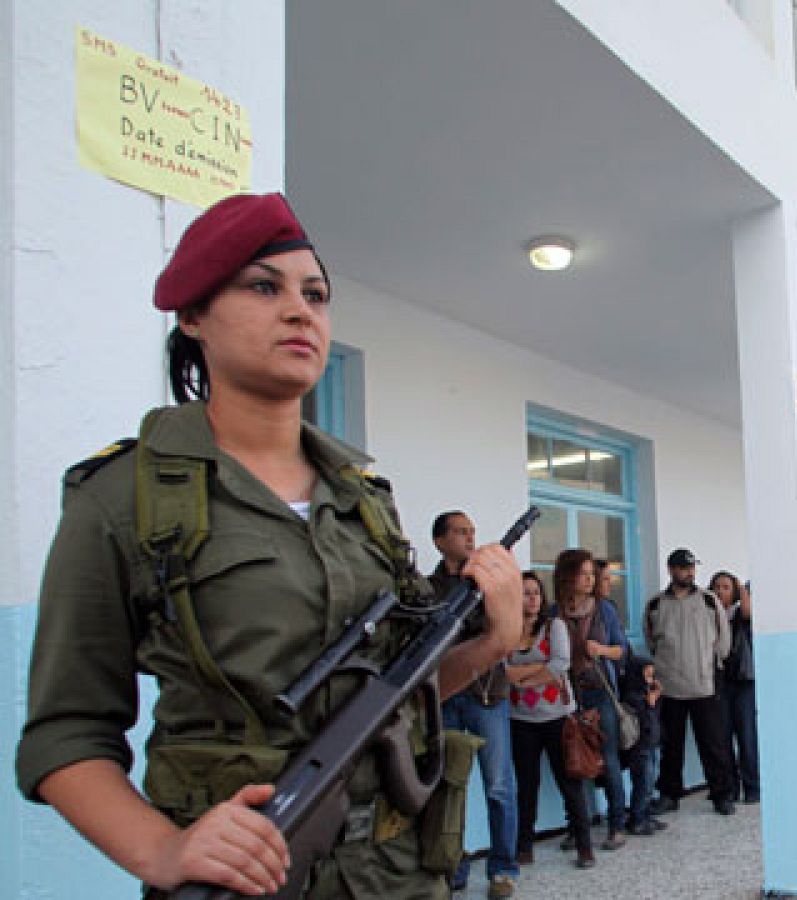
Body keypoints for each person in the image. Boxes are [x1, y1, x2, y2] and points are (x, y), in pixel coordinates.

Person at [13, 193, 523, 899]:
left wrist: (494, 640)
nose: (300, 311)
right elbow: (64, 735)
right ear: (193, 316)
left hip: (401, 877)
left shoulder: (364, 498)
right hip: (248, 883)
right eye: (263, 286)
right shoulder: (123, 499)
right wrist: (162, 851)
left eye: (315, 295)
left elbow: (393, 698)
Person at [430, 511, 520, 893]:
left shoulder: (487, 581)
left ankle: (503, 868)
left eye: (472, 532)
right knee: (449, 787)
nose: (470, 538)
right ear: (439, 541)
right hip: (446, 695)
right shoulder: (426, 588)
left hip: (488, 694)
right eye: (460, 532)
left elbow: (507, 631)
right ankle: (453, 864)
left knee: (499, 786)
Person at [507, 571, 594, 868]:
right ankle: (524, 846)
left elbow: (559, 664)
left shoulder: (553, 625)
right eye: (525, 592)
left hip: (558, 717)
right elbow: (500, 670)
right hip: (520, 720)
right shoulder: (505, 630)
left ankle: (584, 846)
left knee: (570, 782)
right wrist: (535, 670)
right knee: (526, 786)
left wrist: (522, 679)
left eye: (536, 592)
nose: (532, 598)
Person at [645, 548, 737, 814]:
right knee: (670, 746)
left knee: (713, 744)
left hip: (704, 685)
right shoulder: (656, 604)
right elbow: (652, 641)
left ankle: (722, 794)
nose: (689, 572)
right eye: (683, 568)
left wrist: (711, 667)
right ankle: (669, 794)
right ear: (671, 570)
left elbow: (723, 640)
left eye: (692, 568)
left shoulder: (709, 601)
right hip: (669, 686)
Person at [553, 548, 632, 851]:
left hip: (600, 690)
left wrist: (601, 650)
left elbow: (622, 649)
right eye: (583, 573)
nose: (589, 579)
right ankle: (578, 826)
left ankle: (616, 825)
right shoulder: (555, 612)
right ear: (567, 575)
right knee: (572, 761)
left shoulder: (604, 610)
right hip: (567, 695)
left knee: (608, 759)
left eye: (591, 574)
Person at [710, 570, 759, 803]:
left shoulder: (740, 613)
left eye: (726, 587)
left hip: (743, 681)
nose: (720, 591)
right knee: (723, 737)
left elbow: (749, 613)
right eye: (717, 587)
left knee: (747, 736)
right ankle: (730, 787)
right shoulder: (709, 615)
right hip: (719, 682)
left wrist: (742, 590)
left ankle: (752, 786)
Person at [619, 653, 669, 835]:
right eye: (646, 676)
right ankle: (637, 817)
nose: (649, 680)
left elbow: (656, 715)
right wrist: (651, 703)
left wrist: (656, 698)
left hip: (652, 744)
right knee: (642, 782)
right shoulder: (633, 697)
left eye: (651, 676)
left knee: (650, 781)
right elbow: (643, 718)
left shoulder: (646, 693)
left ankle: (647, 814)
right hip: (641, 748)